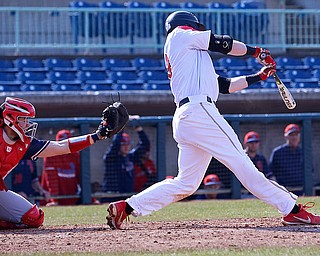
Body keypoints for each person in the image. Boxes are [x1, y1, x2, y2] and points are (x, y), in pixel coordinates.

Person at [106, 11, 320, 229]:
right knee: (245, 167)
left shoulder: (191, 56)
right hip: (200, 111)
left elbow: (224, 86)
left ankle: (127, 207)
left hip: (188, 117)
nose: (199, 30)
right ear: (188, 25)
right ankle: (292, 210)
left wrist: (259, 76)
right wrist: (257, 51)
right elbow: (222, 43)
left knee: (186, 183)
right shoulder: (180, 34)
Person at [0, 96, 108, 229]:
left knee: (34, 218)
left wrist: (96, 136)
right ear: (11, 118)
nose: (27, 124)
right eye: (23, 119)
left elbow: (61, 147)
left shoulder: (25, 144)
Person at [103, 126, 150, 194]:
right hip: (112, 195)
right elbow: (115, 145)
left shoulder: (131, 156)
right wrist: (121, 126)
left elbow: (145, 145)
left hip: (128, 194)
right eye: (123, 145)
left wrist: (139, 130)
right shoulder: (111, 157)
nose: (126, 147)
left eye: (128, 144)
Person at [40, 129, 81, 206]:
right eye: (62, 142)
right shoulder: (51, 154)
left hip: (72, 198)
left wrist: (90, 199)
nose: (64, 145)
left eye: (66, 142)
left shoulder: (74, 155)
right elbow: (51, 180)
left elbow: (81, 177)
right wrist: (54, 200)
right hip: (50, 200)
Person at [269, 124, 304, 193]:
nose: (294, 137)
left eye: (296, 135)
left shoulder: (303, 152)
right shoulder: (278, 152)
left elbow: (310, 171)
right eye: (291, 135)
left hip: (301, 190)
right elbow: (270, 172)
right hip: (284, 191)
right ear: (286, 136)